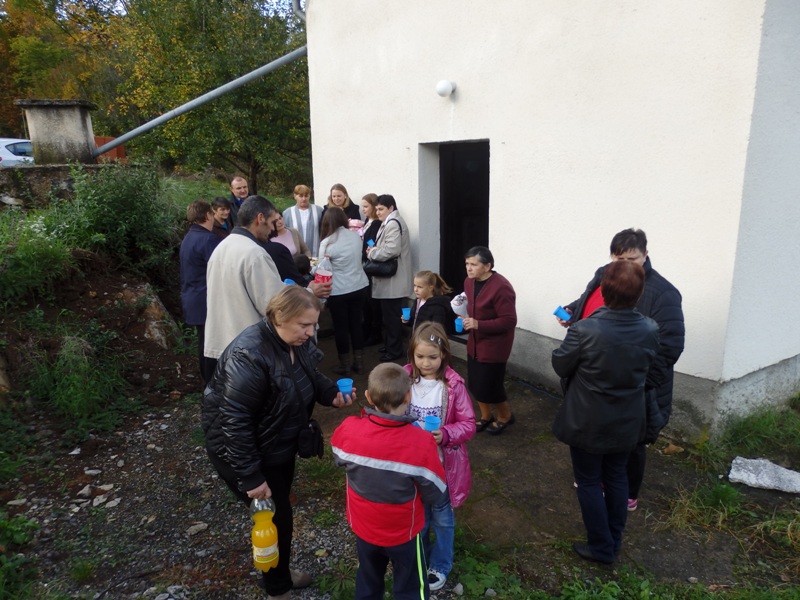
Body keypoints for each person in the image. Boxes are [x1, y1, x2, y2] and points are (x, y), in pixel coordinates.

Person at [203, 286, 356, 600]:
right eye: (305, 325)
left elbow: (309, 375)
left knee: (280, 509)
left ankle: (279, 571)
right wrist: (250, 476)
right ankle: (277, 589)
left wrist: (331, 395)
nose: (311, 332)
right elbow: (235, 419)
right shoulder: (249, 355)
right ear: (279, 317)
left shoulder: (290, 341)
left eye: (314, 324)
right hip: (246, 452)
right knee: (274, 517)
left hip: (276, 444)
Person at [557, 228, 684, 512]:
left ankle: (627, 494)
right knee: (596, 434)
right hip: (595, 380)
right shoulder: (604, 273)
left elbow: (669, 348)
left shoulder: (663, 293)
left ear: (646, 255)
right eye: (618, 258)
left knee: (631, 443)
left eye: (632, 258)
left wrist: (639, 383)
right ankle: (597, 481)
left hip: (635, 387)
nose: (624, 265)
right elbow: (590, 303)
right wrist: (573, 312)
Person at [551, 260, 659, 565]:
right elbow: (652, 370)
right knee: (615, 476)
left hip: (588, 419)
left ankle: (601, 546)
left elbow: (560, 364)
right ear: (638, 294)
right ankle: (613, 540)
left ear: (604, 291)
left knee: (587, 481)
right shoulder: (650, 328)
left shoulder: (586, 329)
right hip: (627, 419)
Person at [331, 363, 447, 600]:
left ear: (368, 397)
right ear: (408, 396)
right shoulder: (421, 443)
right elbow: (436, 491)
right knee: (410, 586)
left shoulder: (349, 430)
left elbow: (337, 456)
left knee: (368, 578)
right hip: (403, 532)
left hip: (363, 528)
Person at [403, 322, 475, 592]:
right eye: (419, 356)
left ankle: (440, 564)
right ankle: (419, 558)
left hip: (442, 467)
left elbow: (468, 423)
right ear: (412, 355)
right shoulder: (405, 379)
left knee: (443, 518)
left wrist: (444, 434)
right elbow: (391, 410)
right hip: (413, 465)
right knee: (418, 515)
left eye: (432, 357)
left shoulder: (453, 386)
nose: (426, 362)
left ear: (444, 354)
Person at [203, 196, 285, 373]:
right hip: (247, 352)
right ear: (260, 218)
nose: (272, 229)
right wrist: (309, 293)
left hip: (220, 347)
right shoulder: (254, 254)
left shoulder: (221, 248)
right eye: (272, 222)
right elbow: (274, 306)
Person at [462, 246, 517, 435]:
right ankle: (486, 416)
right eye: (467, 264)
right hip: (475, 342)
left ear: (487, 266)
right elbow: (472, 306)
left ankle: (505, 416)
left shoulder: (501, 287)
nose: (469, 268)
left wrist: (479, 324)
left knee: (491, 386)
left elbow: (509, 320)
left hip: (495, 346)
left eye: (473, 264)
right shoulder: (469, 283)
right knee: (475, 384)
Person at [318, 207, 369, 375]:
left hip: (339, 291)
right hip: (359, 285)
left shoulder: (328, 243)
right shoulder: (355, 236)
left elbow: (322, 270)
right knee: (356, 324)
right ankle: (359, 362)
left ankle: (345, 365)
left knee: (341, 328)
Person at [365, 194, 413, 362]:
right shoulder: (391, 222)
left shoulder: (393, 223)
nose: (377, 212)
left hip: (394, 280)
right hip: (392, 279)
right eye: (376, 209)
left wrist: (372, 253)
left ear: (391, 208)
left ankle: (394, 351)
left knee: (391, 318)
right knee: (389, 316)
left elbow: (392, 250)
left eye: (381, 209)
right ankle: (390, 345)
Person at [179, 200, 222, 384]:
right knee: (211, 346)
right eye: (212, 214)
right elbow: (220, 270)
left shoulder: (188, 237)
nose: (214, 219)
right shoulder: (208, 239)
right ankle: (212, 385)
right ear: (207, 216)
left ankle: (208, 383)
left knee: (204, 343)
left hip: (192, 298)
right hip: (206, 299)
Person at [360, 193, 383, 346]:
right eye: (362, 206)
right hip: (364, 265)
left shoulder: (375, 225)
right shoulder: (367, 222)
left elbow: (371, 244)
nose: (363, 210)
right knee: (367, 302)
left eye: (366, 206)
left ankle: (375, 334)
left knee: (372, 302)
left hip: (370, 267)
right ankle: (368, 331)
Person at [282, 184, 323, 257]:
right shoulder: (287, 213)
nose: (304, 199)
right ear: (295, 196)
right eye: (300, 196)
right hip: (296, 256)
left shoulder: (318, 211)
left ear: (309, 196)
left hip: (316, 253)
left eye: (306, 195)